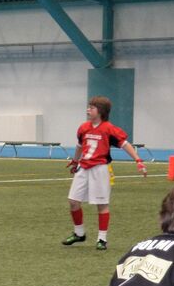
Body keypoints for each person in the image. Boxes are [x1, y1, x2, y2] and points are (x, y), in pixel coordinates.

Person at [63, 96, 148, 250]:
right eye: (88, 107)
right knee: (73, 201)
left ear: (100, 111)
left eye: (91, 108)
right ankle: (79, 233)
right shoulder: (83, 128)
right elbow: (80, 146)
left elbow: (125, 144)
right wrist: (75, 161)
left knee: (102, 204)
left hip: (100, 168)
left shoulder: (109, 129)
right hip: (83, 167)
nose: (88, 110)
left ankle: (102, 239)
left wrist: (138, 161)